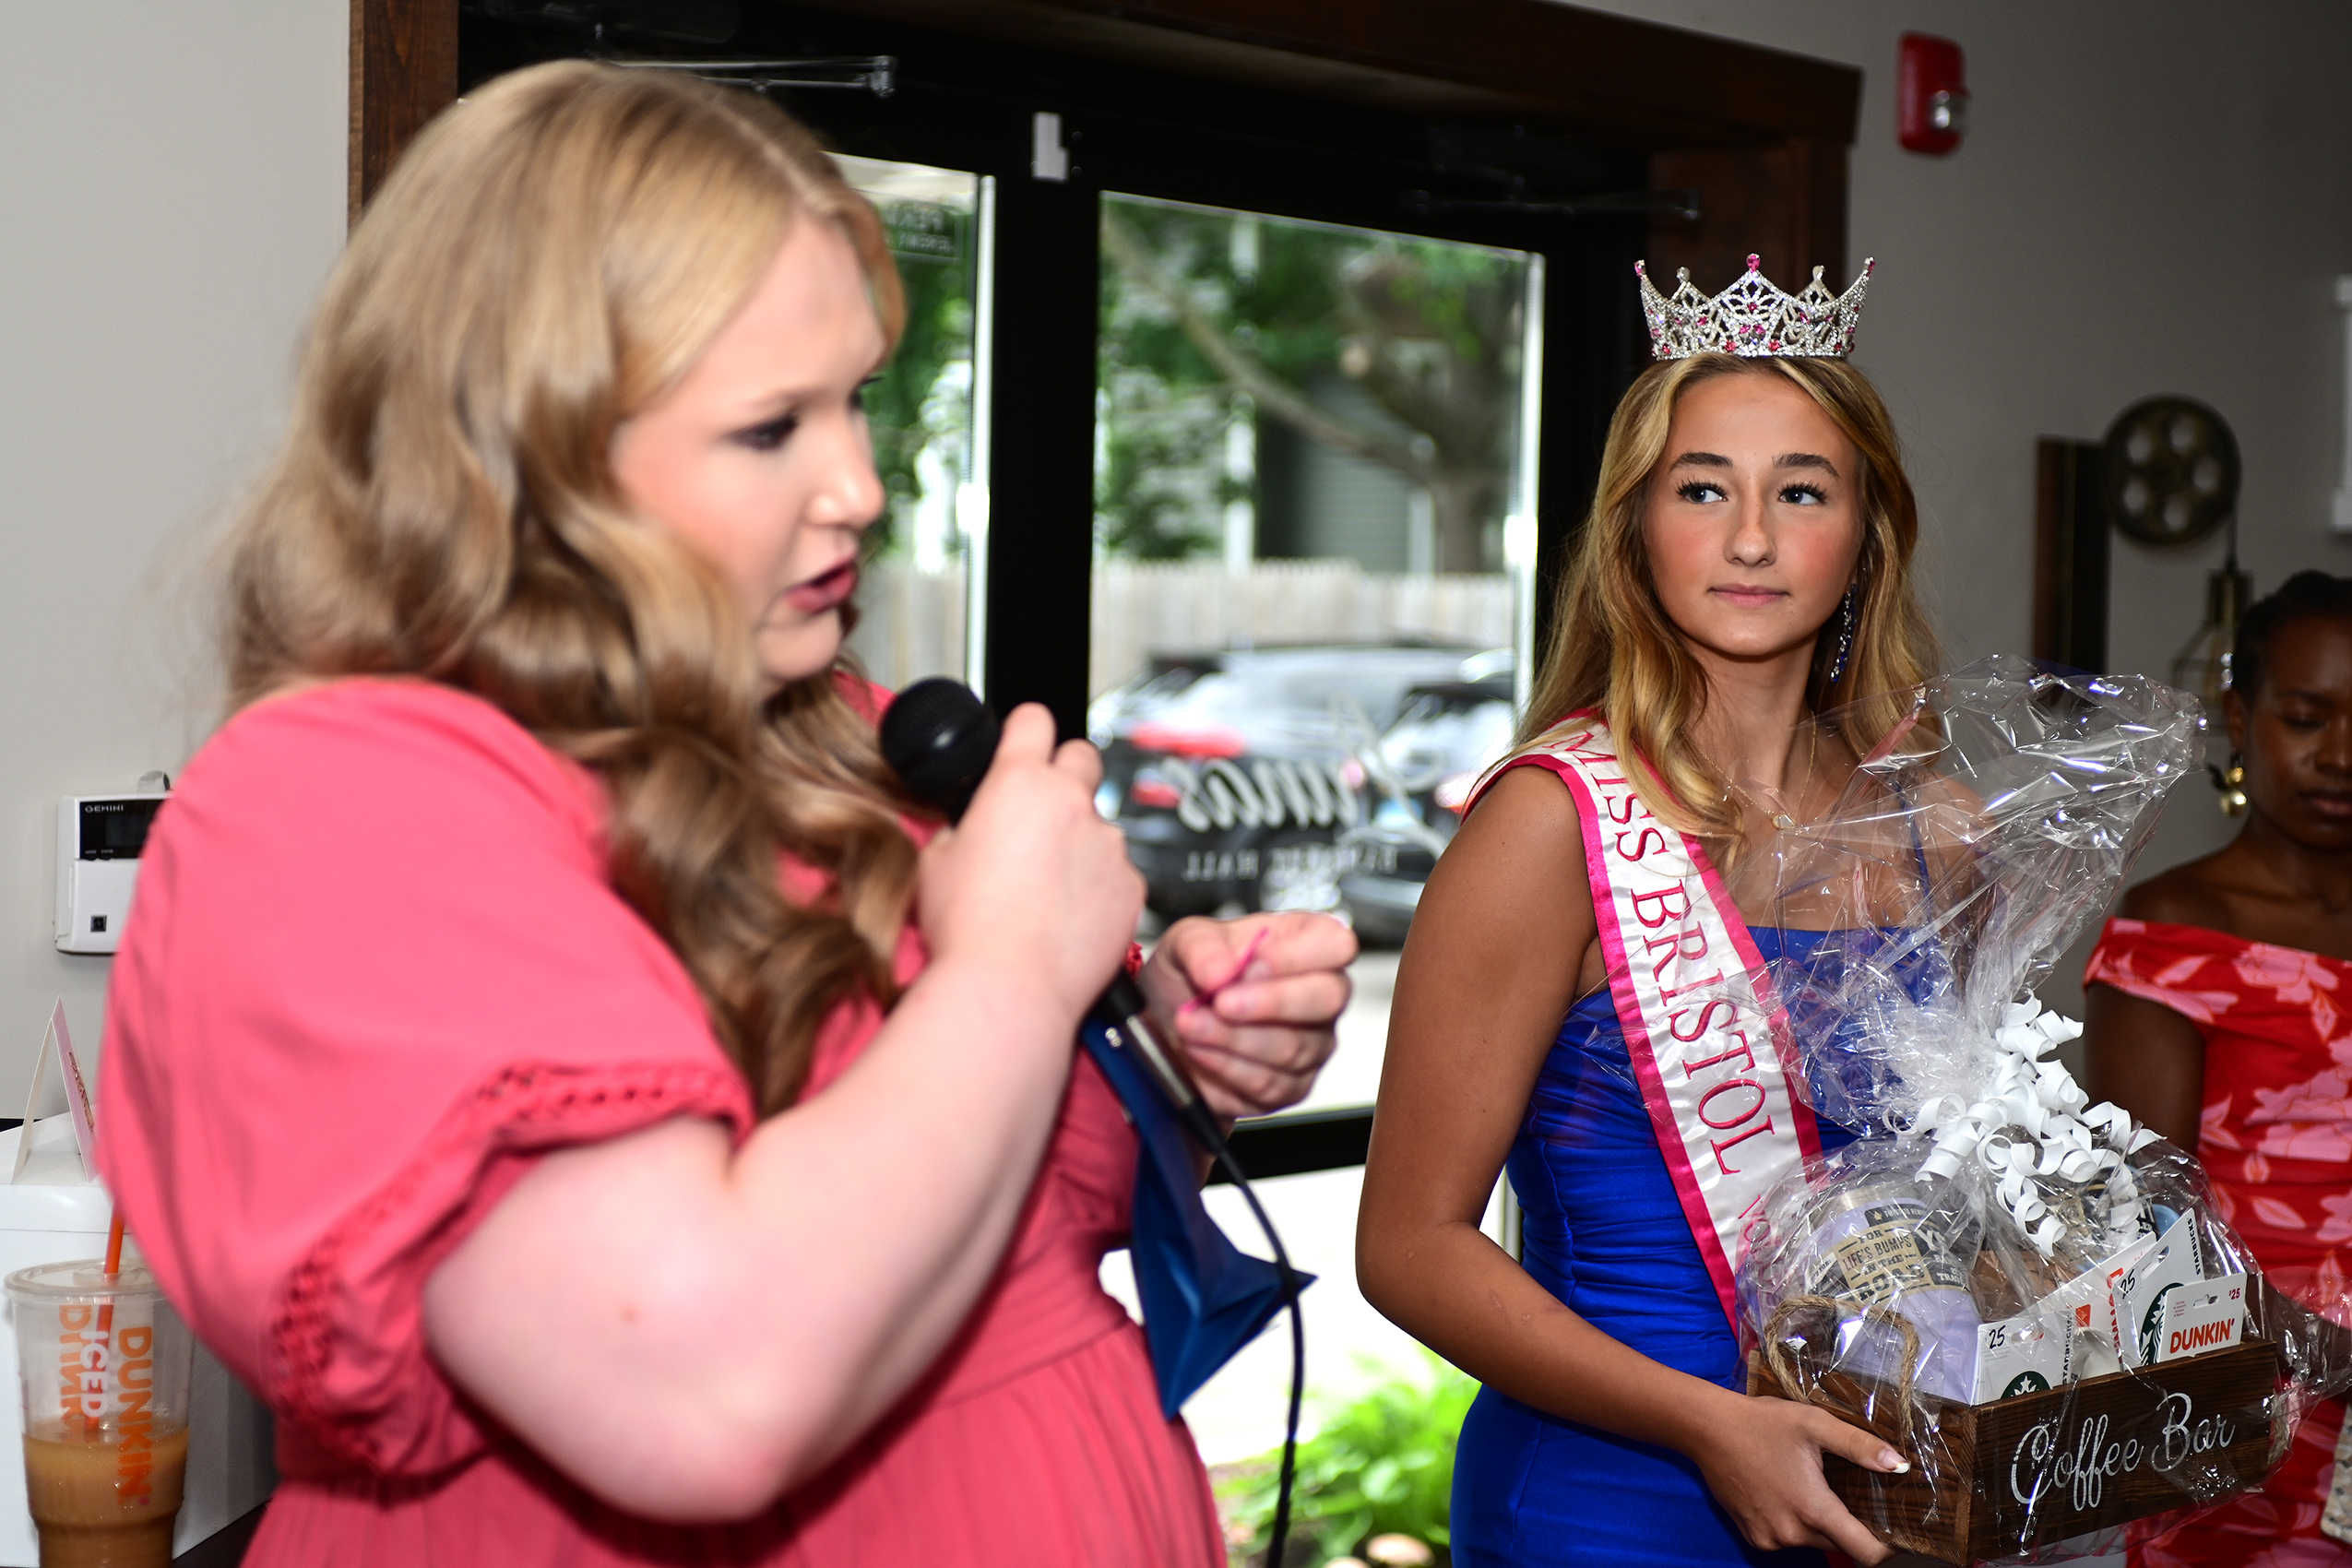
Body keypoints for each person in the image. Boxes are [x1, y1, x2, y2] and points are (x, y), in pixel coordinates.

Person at [95, 62, 1355, 1566]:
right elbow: (702, 1393)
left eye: (856, 402)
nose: (861, 488)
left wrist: (1170, 1047)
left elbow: (976, 1188)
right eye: (771, 428)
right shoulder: (343, 805)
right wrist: (1015, 968)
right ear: (530, 456)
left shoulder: (840, 741)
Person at [1357, 256, 1936, 1567]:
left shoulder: (1928, 826)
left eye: (1801, 490)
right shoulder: (1549, 825)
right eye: (1701, 488)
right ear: (1633, 528)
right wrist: (1709, 1425)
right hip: (1608, 1497)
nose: (1751, 537)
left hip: (1882, 1487)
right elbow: (1406, 1246)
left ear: (1866, 536)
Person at [2084, 571, 2352, 1568]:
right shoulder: (2176, 931)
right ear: (2239, 719)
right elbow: (2145, 1222)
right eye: (2305, 717)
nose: (2342, 754)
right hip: (2249, 1398)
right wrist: (2322, 1352)